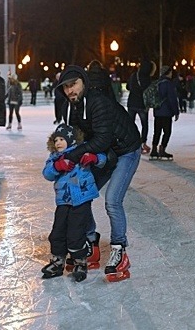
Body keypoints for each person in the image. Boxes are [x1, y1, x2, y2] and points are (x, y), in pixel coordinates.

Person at [56, 65, 141, 282]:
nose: (70, 90)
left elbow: (102, 139)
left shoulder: (98, 102)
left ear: (83, 82)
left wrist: (76, 155)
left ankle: (119, 251)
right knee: (81, 190)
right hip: (106, 152)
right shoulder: (73, 107)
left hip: (126, 150)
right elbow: (78, 138)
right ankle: (91, 244)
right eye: (66, 87)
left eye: (73, 84)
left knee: (112, 200)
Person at [41, 124, 107, 282]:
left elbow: (103, 159)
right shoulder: (55, 157)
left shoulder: (82, 149)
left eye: (62, 139)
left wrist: (94, 158)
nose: (58, 143)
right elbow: (47, 173)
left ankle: (80, 262)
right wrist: (58, 166)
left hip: (81, 198)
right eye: (55, 140)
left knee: (76, 232)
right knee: (58, 231)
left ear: (71, 139)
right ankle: (57, 261)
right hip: (63, 200)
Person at [148, 65, 180, 160]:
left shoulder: (157, 83)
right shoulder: (168, 84)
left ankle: (154, 149)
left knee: (157, 131)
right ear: (168, 73)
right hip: (166, 112)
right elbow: (172, 99)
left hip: (157, 111)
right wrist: (176, 111)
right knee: (167, 131)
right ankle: (162, 149)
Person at [127, 60, 156, 154]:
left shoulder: (133, 75)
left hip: (131, 103)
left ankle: (129, 142)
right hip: (142, 104)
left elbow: (128, 87)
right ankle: (143, 142)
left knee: (130, 124)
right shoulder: (147, 78)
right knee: (144, 124)